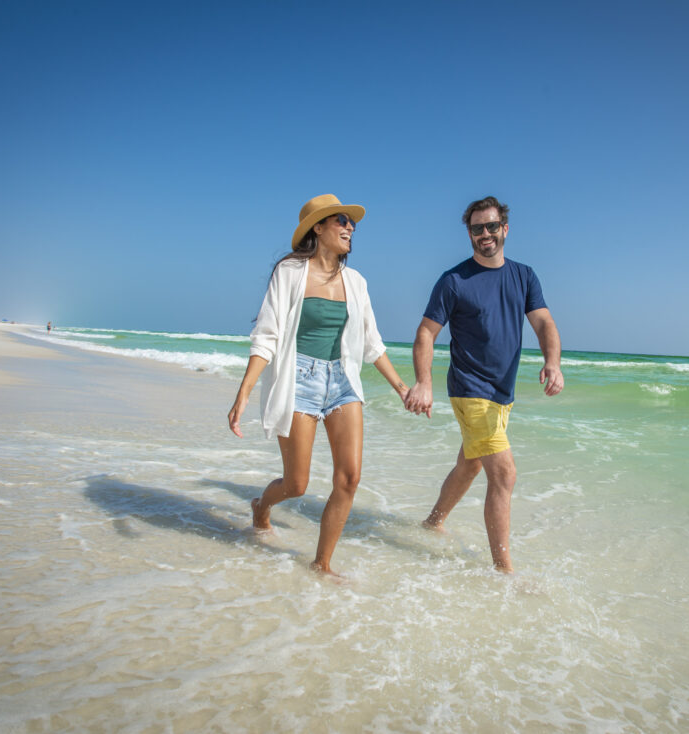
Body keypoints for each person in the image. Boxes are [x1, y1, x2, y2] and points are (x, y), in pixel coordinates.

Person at [227, 194, 409, 575]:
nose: (350, 227)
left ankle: (322, 564)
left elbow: (372, 343)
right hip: (299, 381)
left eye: (351, 222)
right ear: (318, 227)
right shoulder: (290, 272)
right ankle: (262, 506)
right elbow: (268, 335)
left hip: (342, 380)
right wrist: (244, 392)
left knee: (350, 476)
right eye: (341, 220)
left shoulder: (356, 282)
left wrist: (402, 388)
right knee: (296, 484)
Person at [404, 196, 564, 573]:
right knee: (504, 473)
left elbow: (543, 322)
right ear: (470, 234)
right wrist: (423, 383)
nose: (485, 234)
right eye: (477, 229)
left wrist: (552, 362)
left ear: (504, 229)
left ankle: (433, 522)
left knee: (470, 465)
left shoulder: (524, 276)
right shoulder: (454, 281)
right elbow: (426, 333)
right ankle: (504, 571)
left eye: (492, 226)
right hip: (469, 389)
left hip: (501, 394)